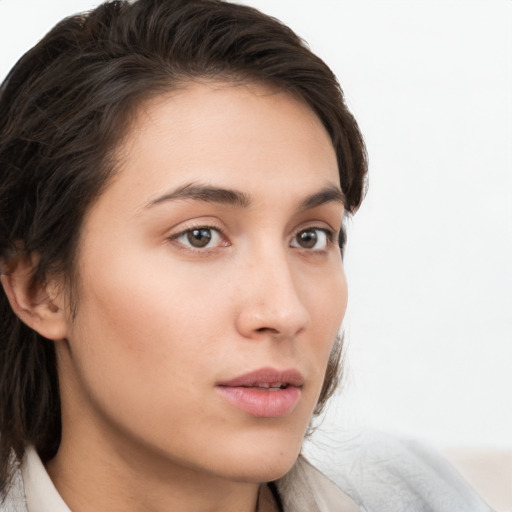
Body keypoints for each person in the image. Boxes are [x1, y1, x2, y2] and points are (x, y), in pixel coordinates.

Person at [0, 1, 495, 511]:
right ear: (38, 287)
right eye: (199, 236)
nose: (285, 312)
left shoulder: (419, 493)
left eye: (310, 237)